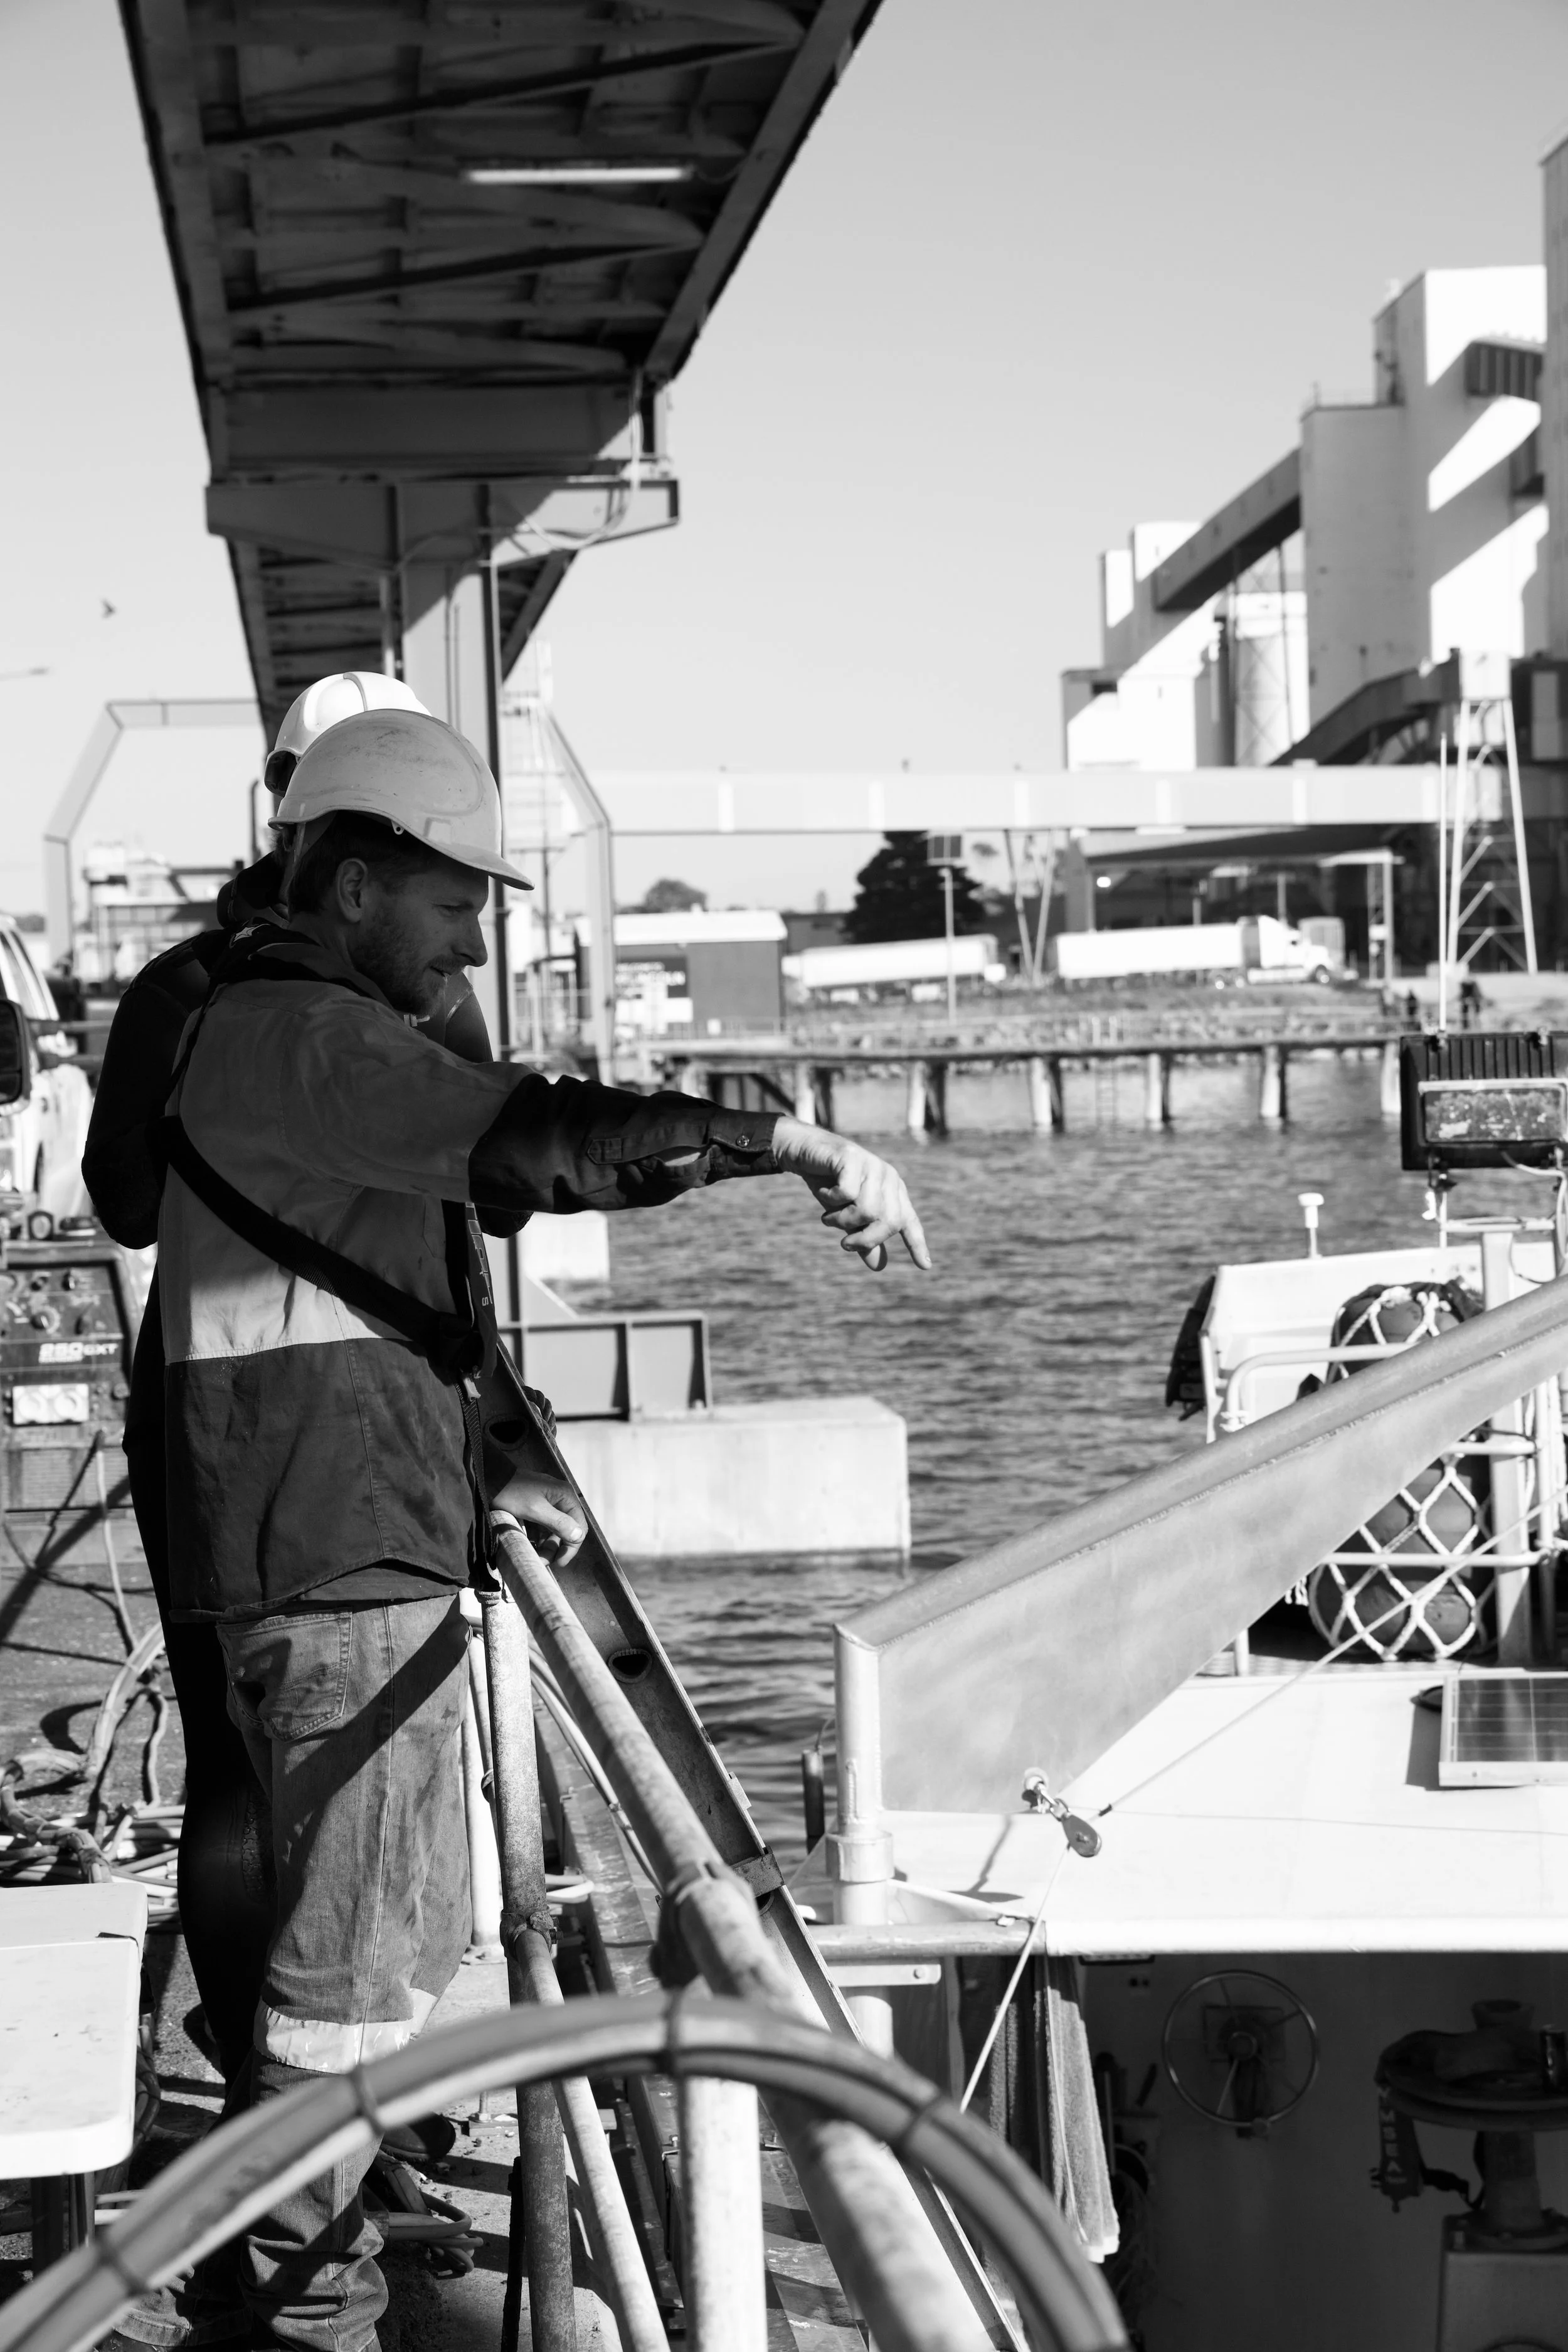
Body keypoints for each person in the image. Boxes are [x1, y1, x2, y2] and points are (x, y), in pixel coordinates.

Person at [137, 706, 928, 2352]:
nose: (473, 931)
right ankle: (310, 2314)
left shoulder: (256, 1028)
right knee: (353, 1979)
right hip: (342, 1559)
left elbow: (397, 1254)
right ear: (352, 882)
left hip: (293, 1535)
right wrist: (784, 1137)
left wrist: (496, 1449)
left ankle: (286, 2264)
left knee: (338, 1948)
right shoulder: (317, 1041)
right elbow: (543, 1139)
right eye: (451, 897)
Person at [83, 674, 479, 2097]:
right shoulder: (421, 997)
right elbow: (478, 1196)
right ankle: (329, 2110)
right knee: (356, 1772)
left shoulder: (183, 987)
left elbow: (123, 1201)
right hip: (358, 1425)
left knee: (232, 1760)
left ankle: (259, 2054)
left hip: (201, 1399)